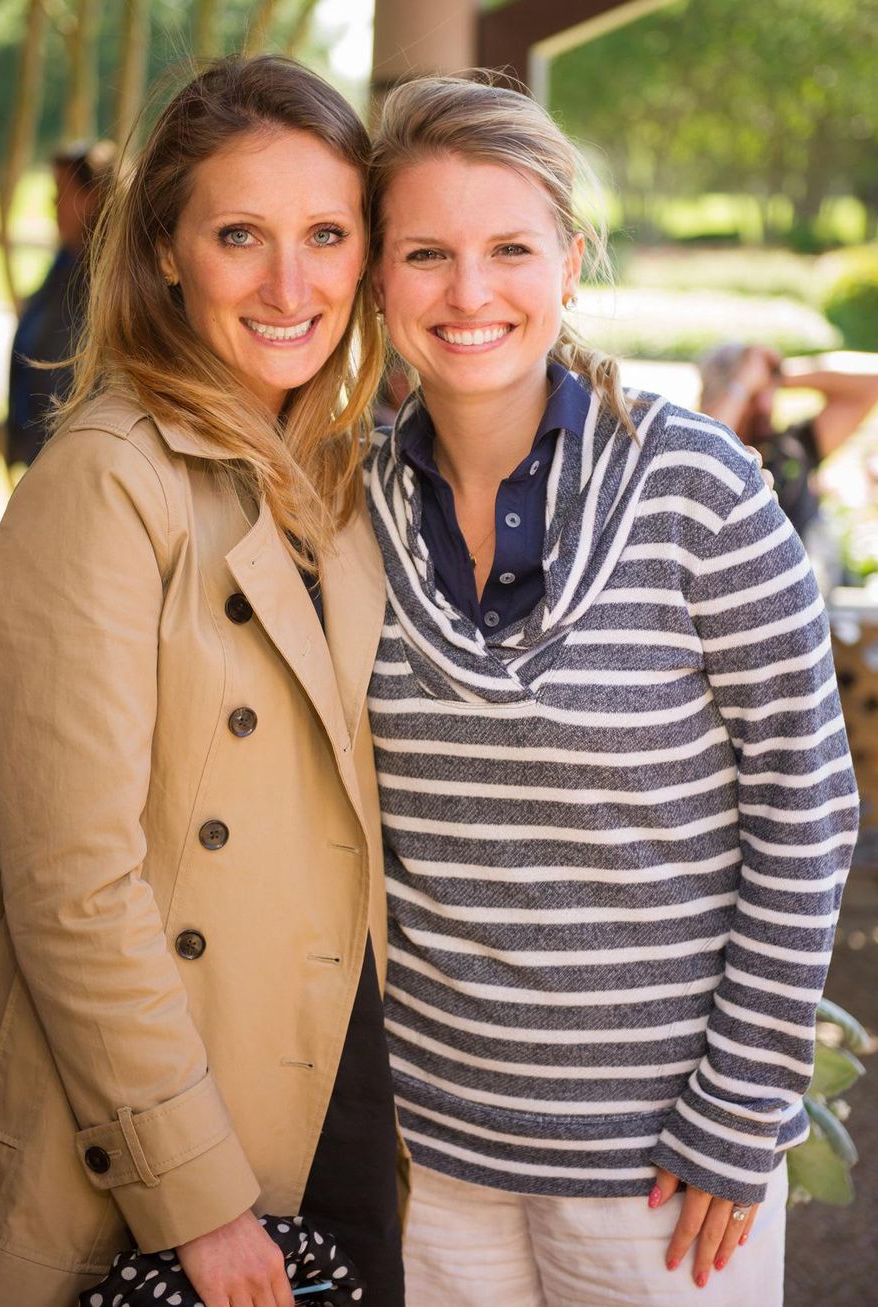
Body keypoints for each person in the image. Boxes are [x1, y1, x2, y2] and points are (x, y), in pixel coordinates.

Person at [0, 56, 405, 1307]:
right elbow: (72, 878)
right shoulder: (108, 479)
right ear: (167, 251)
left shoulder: (335, 477)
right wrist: (199, 1193)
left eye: (326, 234)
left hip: (326, 1082)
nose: (292, 285)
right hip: (144, 1126)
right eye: (241, 234)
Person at [363, 76, 858, 1306]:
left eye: (507, 249)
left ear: (569, 263)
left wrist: (742, 1112)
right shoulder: (341, 508)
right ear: (377, 277)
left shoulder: (699, 489)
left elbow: (804, 808)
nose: (468, 294)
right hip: (429, 1161)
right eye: (424, 253)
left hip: (665, 1175)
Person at [698, 343, 878, 544]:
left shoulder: (793, 447)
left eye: (765, 392)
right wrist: (742, 382)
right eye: (751, 396)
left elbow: (873, 380)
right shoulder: (699, 455)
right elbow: (706, 451)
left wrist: (778, 373)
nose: (765, 405)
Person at [6, 140, 116, 469]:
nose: (52, 203)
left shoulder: (107, 281)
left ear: (92, 197)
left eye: (61, 191)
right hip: (42, 449)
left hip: (75, 459)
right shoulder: (64, 265)